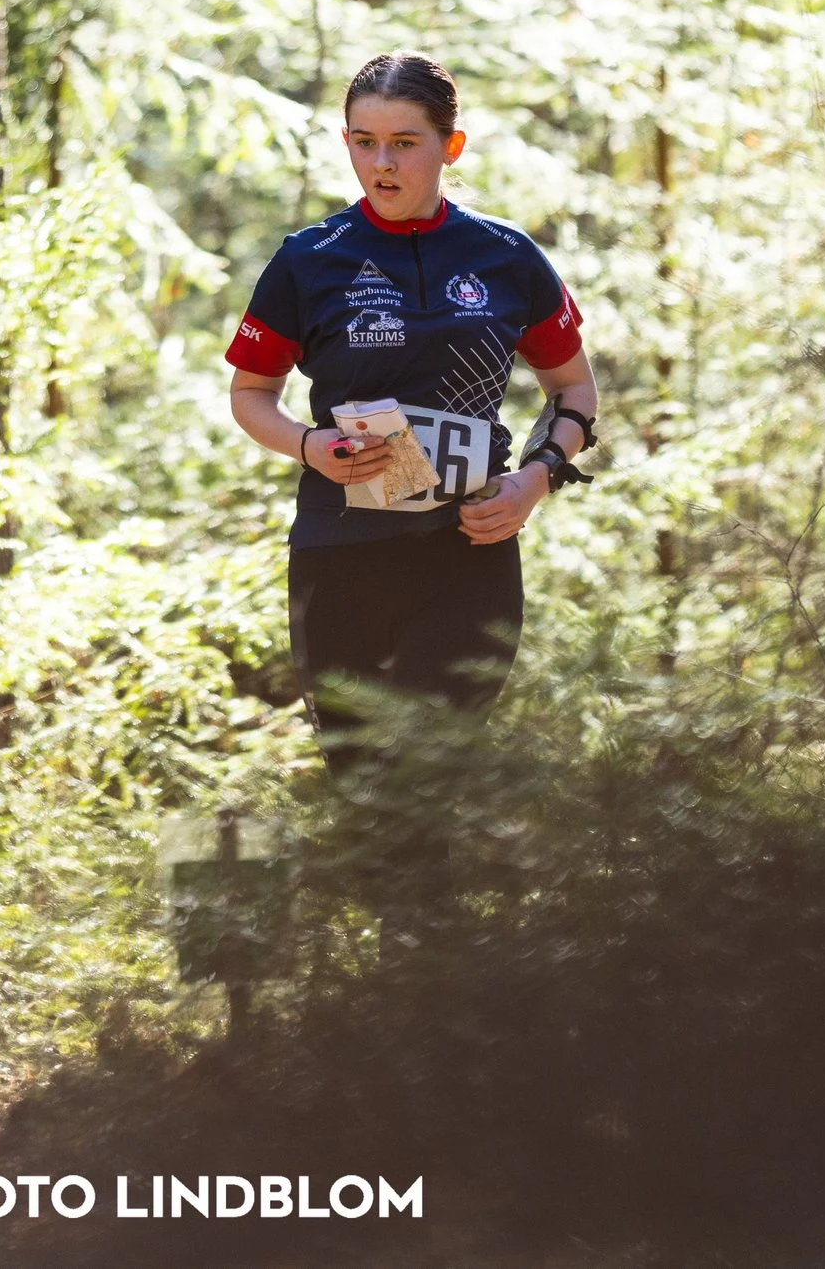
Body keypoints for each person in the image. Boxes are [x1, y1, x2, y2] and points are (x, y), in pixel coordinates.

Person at [223, 50, 599, 937]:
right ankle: (401, 998)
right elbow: (249, 396)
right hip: (338, 556)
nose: (383, 163)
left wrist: (538, 479)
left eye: (404, 142)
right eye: (363, 142)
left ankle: (432, 992)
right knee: (362, 783)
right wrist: (311, 445)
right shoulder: (309, 259)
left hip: (467, 552)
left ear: (450, 145)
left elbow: (574, 391)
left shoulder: (505, 256)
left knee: (427, 765)